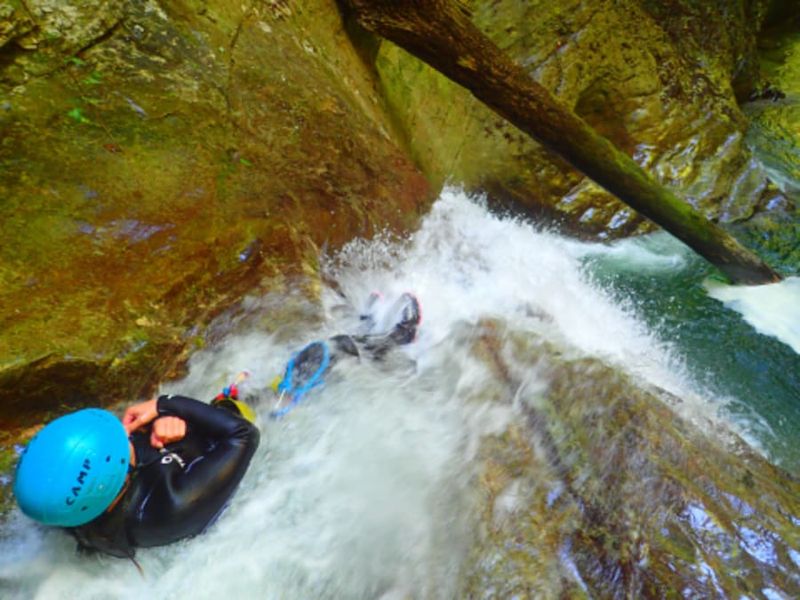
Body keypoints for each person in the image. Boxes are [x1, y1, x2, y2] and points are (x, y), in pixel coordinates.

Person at [13, 389, 260, 561]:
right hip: (202, 488)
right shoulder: (172, 505)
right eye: (122, 441)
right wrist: (166, 407)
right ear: (117, 479)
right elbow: (244, 435)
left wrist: (159, 426)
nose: (125, 431)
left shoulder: (58, 507)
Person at [271, 291, 422, 417]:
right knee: (335, 349)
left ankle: (387, 333)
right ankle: (392, 335)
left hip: (316, 373)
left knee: (332, 349)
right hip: (323, 377)